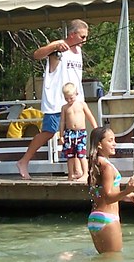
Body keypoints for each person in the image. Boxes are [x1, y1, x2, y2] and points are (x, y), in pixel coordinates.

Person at [17, 20, 89, 180]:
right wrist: (55, 46)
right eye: (82, 36)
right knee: (49, 132)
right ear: (72, 34)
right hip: (57, 101)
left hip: (75, 101)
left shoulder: (78, 51)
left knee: (74, 133)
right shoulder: (59, 49)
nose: (85, 40)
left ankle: (77, 170)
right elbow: (36, 55)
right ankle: (23, 161)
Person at [86, 126, 134, 253]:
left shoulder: (96, 163)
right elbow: (108, 197)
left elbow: (101, 193)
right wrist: (127, 190)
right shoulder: (107, 166)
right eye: (110, 140)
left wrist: (125, 196)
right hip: (108, 219)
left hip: (94, 218)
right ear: (99, 144)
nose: (114, 143)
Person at [59, 81, 98, 181]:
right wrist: (61, 135)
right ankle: (70, 174)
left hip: (80, 133)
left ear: (76, 94)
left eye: (71, 98)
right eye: (66, 98)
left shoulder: (82, 104)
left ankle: (85, 174)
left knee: (81, 154)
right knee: (70, 155)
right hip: (69, 133)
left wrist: (95, 127)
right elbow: (62, 121)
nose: (69, 100)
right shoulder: (64, 107)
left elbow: (90, 116)